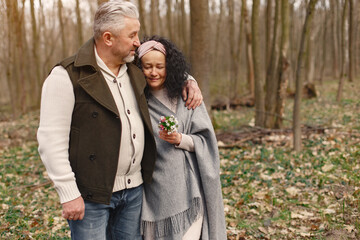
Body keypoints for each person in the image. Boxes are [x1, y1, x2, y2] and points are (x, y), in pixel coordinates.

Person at [37, 1, 202, 239]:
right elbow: (51, 140)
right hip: (91, 194)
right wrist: (68, 193)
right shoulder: (66, 76)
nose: (138, 41)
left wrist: (189, 79)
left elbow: (163, 66)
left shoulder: (135, 70)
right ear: (108, 38)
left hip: (134, 191)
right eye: (132, 35)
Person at [136, 36, 227, 240]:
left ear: (170, 66)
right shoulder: (137, 100)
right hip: (154, 193)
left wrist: (180, 139)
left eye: (160, 66)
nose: (153, 72)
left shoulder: (187, 95)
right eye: (147, 66)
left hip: (190, 190)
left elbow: (207, 141)